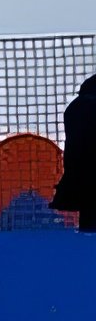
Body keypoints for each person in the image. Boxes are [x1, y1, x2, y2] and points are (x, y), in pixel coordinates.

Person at [51, 73, 96, 230]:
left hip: (79, 171)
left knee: (88, 218)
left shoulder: (75, 108)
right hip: (88, 169)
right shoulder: (88, 108)